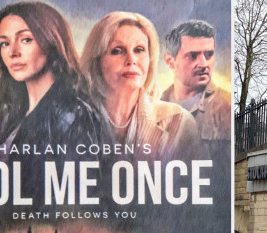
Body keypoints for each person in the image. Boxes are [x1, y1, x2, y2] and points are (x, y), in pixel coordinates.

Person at [0, 2, 103, 197]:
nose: (13, 52)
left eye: (25, 40)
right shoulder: (9, 114)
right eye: (4, 43)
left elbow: (77, 203)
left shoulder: (73, 114)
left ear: (51, 42)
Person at [81, 12, 198, 160]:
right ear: (96, 61)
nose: (131, 60)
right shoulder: (72, 120)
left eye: (139, 50)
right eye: (118, 51)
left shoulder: (179, 123)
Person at [161, 20, 230, 159]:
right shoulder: (153, 109)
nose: (204, 63)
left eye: (209, 54)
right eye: (193, 56)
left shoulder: (227, 107)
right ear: (170, 61)